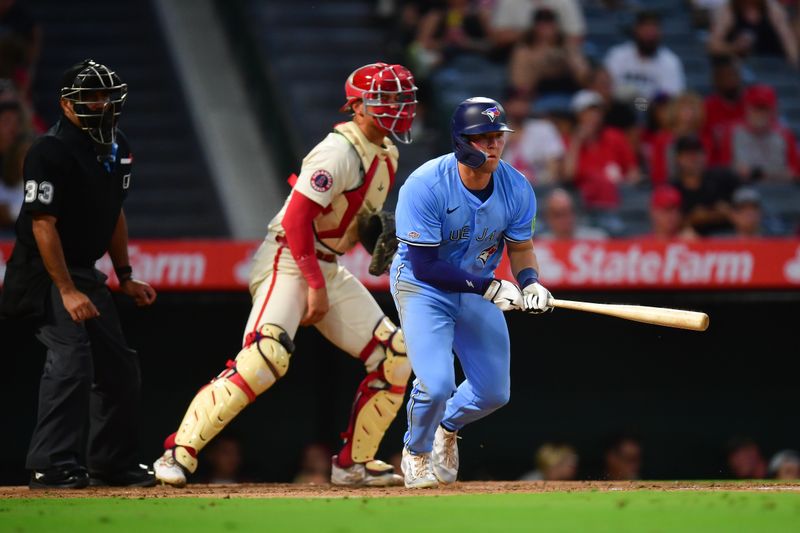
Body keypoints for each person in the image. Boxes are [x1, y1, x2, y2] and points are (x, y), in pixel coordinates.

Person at [152, 62, 418, 488]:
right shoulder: (338, 152)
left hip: (326, 262)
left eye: (401, 97)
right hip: (289, 258)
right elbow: (297, 220)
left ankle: (354, 464)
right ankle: (178, 452)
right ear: (357, 106)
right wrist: (314, 286)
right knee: (265, 357)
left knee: (397, 354)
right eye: (385, 98)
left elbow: (350, 219)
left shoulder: (387, 154)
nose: (397, 106)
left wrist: (369, 235)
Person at [0, 59, 157, 489]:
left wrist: (124, 274)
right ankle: (49, 464)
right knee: (71, 360)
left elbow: (114, 212)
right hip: (43, 274)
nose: (101, 104)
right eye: (91, 96)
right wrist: (66, 289)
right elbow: (41, 224)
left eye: (107, 95)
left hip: (84, 272)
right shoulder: (48, 150)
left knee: (119, 367)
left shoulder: (116, 145)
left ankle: (111, 463)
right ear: (67, 105)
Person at [390, 97, 553, 488]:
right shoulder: (426, 184)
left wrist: (530, 281)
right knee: (437, 383)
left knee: (494, 392)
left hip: (477, 287)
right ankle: (416, 452)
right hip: (423, 287)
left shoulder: (516, 186)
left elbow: (520, 247)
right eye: (484, 138)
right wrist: (490, 287)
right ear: (462, 141)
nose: (494, 145)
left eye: (498, 136)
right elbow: (426, 266)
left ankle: (448, 425)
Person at [563, 89, 640, 212]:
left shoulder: (615, 136)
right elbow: (569, 175)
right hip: (582, 205)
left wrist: (623, 183)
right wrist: (577, 142)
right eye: (587, 112)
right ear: (578, 116)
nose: (594, 116)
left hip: (617, 200)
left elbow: (633, 172)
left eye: (597, 112)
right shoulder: (570, 142)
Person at [718, 84, 800, 182]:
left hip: (782, 191)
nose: (760, 114)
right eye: (756, 108)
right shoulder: (732, 132)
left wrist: (759, 173)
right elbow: (723, 169)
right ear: (747, 108)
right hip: (743, 190)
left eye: (764, 109)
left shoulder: (785, 135)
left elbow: (795, 172)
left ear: (773, 111)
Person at [508, 7, 589, 104]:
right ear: (535, 27)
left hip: (569, 95)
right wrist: (540, 65)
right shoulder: (523, 50)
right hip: (536, 98)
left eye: (549, 23)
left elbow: (585, 78)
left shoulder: (568, 46)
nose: (546, 29)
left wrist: (567, 63)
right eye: (542, 24)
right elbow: (519, 85)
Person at [603, 10, 686, 100]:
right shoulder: (618, 55)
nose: (650, 34)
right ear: (636, 29)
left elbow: (672, 96)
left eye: (653, 29)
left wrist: (641, 100)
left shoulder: (670, 61)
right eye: (646, 29)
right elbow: (605, 87)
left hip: (651, 109)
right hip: (619, 106)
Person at [671, 134, 740, 236]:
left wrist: (727, 212)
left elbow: (748, 209)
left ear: (705, 155)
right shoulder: (673, 188)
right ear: (678, 158)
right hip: (692, 242)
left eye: (697, 153)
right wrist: (693, 219)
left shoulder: (723, 178)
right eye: (688, 154)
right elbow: (668, 224)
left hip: (729, 239)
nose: (693, 158)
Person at [708, 0, 799, 68]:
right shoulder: (729, 9)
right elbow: (713, 45)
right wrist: (734, 47)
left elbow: (788, 40)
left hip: (773, 63)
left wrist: (794, 63)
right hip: (744, 68)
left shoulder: (772, 8)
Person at [702, 54, 747, 166]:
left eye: (733, 76)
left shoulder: (750, 105)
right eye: (725, 76)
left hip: (746, 166)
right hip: (715, 168)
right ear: (716, 80)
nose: (730, 81)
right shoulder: (707, 107)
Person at [537, 188, 608, 240]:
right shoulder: (541, 245)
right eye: (558, 214)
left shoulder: (596, 239)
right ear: (548, 217)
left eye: (568, 212)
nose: (564, 219)